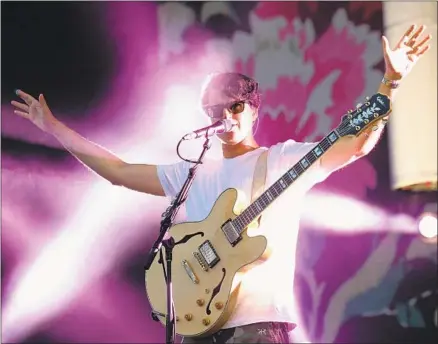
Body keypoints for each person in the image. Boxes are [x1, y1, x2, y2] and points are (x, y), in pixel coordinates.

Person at [11, 24, 431, 343]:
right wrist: (55, 129)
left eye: (233, 106)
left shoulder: (281, 159)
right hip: (195, 327)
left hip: (258, 328)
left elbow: (355, 147)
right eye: (215, 109)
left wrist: (389, 84)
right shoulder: (193, 171)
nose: (224, 116)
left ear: (252, 110)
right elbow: (118, 171)